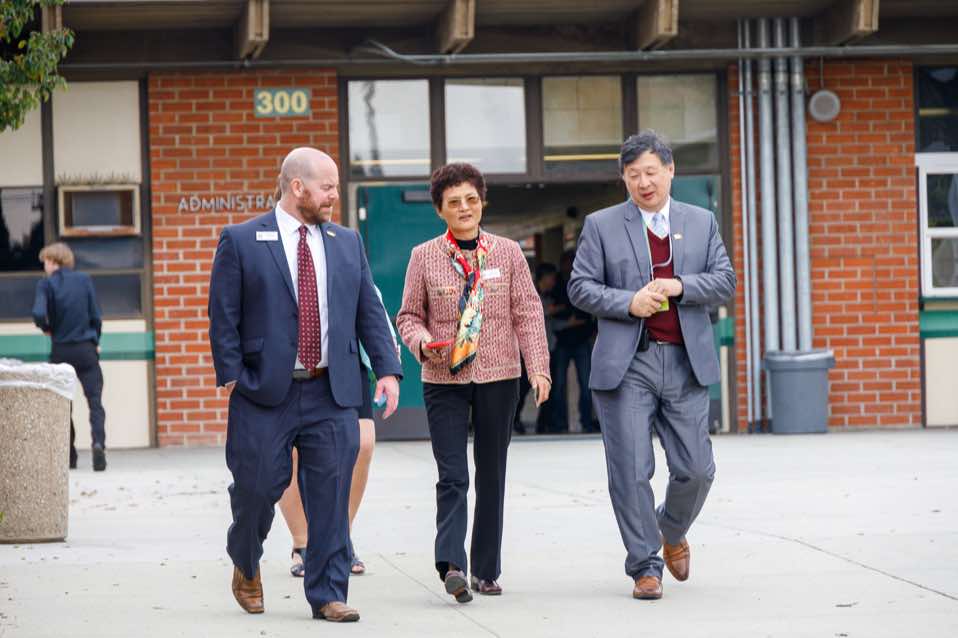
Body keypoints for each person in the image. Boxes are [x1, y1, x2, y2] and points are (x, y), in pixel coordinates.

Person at [208, 147, 402, 623]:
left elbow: (368, 310)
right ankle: (245, 561)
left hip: (330, 389)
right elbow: (223, 314)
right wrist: (232, 376)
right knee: (256, 489)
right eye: (327, 187)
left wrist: (388, 369)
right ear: (297, 187)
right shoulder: (242, 239)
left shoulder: (346, 242)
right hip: (263, 392)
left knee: (330, 495)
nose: (334, 195)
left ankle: (328, 593)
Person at [568, 130, 735, 600]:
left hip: (685, 362)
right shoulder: (601, 225)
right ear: (623, 178)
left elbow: (724, 280)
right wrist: (628, 302)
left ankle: (671, 530)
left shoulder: (701, 221)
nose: (644, 182)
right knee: (630, 470)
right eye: (633, 175)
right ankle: (645, 566)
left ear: (670, 170)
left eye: (651, 172)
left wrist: (681, 286)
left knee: (697, 469)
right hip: (628, 366)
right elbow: (580, 287)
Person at [396, 162, 551, 602]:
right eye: (453, 202)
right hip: (443, 377)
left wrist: (538, 367)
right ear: (440, 210)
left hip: (499, 376)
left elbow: (527, 312)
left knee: (492, 472)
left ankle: (486, 570)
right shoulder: (423, 256)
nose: (464, 208)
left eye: (471, 199)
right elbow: (408, 316)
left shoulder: (508, 253)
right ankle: (452, 564)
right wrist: (423, 343)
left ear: (482, 202)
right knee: (452, 475)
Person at [279, 284, 400, 578]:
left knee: (363, 443)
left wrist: (386, 362)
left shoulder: (348, 256)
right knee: (290, 452)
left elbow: (370, 301)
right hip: (287, 361)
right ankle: (302, 541)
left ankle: (338, 538)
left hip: (346, 359)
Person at [31, 242, 107, 472]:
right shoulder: (84, 280)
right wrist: (95, 341)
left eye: (45, 262)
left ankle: (70, 456)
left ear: (52, 261)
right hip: (86, 349)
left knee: (64, 404)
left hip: (61, 350)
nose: (44, 266)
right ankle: (98, 444)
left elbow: (38, 313)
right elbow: (96, 316)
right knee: (95, 402)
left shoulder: (46, 284)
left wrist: (47, 328)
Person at [551, 249, 598, 433]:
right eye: (567, 262)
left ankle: (586, 422)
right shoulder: (556, 284)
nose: (570, 266)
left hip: (581, 338)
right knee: (558, 385)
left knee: (586, 384)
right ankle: (559, 424)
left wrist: (591, 329)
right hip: (562, 340)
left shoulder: (585, 280)